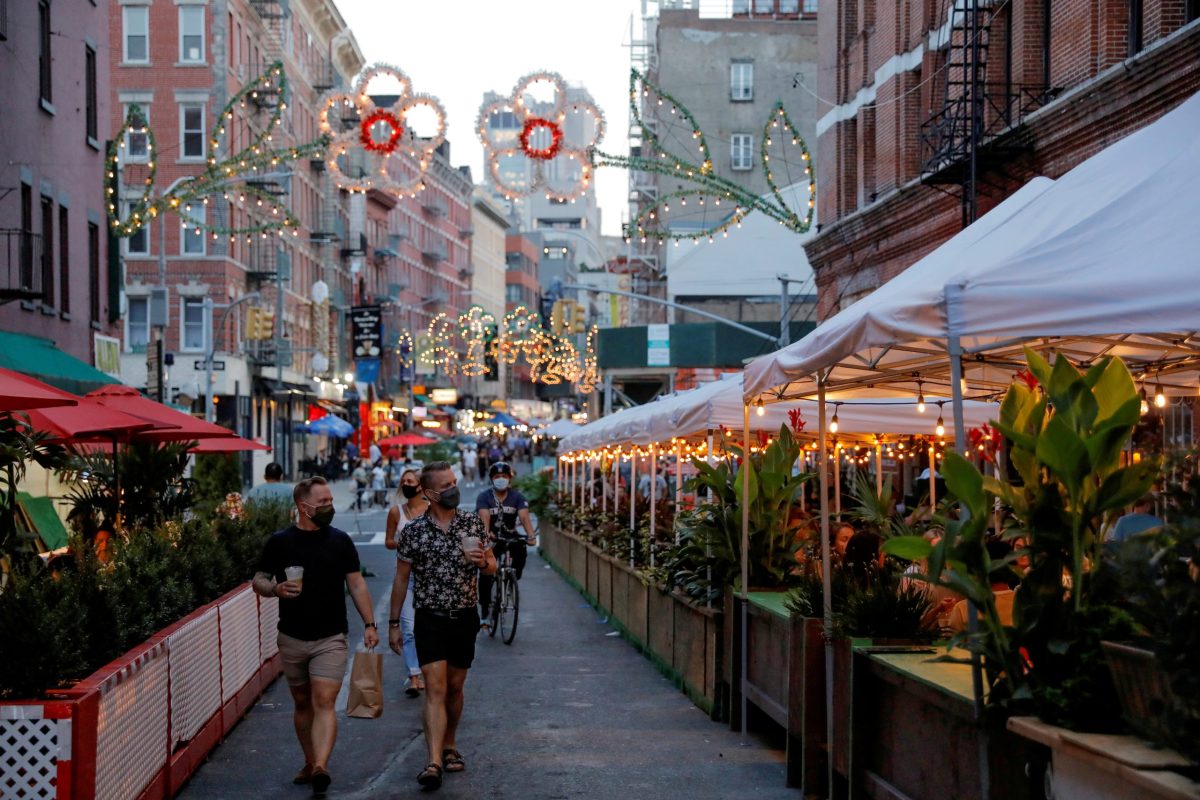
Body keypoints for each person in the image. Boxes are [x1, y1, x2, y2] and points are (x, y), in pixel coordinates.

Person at [252, 477, 378, 796]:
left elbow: (357, 584)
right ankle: (310, 762)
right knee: (302, 702)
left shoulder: (340, 541)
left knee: (324, 701)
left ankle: (321, 766)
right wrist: (275, 589)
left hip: (331, 636)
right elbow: (259, 580)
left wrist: (370, 623)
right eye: (322, 503)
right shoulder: (280, 542)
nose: (329, 507)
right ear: (303, 506)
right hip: (291, 637)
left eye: (329, 501)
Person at [388, 462, 496, 790]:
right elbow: (401, 578)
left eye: (454, 482)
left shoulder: (472, 523)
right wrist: (393, 623)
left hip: (464, 617)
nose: (454, 488)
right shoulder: (414, 531)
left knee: (454, 688)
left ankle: (449, 743)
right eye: (447, 484)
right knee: (434, 689)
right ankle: (433, 760)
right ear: (432, 493)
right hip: (429, 619)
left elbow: (491, 567)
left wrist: (483, 563)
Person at [475, 462, 537, 628]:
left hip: (510, 536)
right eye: (497, 477)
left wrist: (531, 535)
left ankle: (511, 580)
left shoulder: (517, 497)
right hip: (492, 538)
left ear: (509, 479)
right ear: (491, 479)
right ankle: (485, 613)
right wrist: (486, 534)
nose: (500, 479)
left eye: (504, 476)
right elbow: (484, 517)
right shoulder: (485, 497)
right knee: (486, 574)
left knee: (521, 551)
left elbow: (524, 517)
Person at [385, 468, 428, 698]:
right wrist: (401, 544)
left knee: (428, 628)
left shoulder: (432, 510)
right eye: (404, 481)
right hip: (405, 576)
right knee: (409, 628)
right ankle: (414, 676)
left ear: (421, 485)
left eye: (410, 480)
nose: (406, 484)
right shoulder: (396, 512)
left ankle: (431, 671)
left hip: (430, 577)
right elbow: (388, 541)